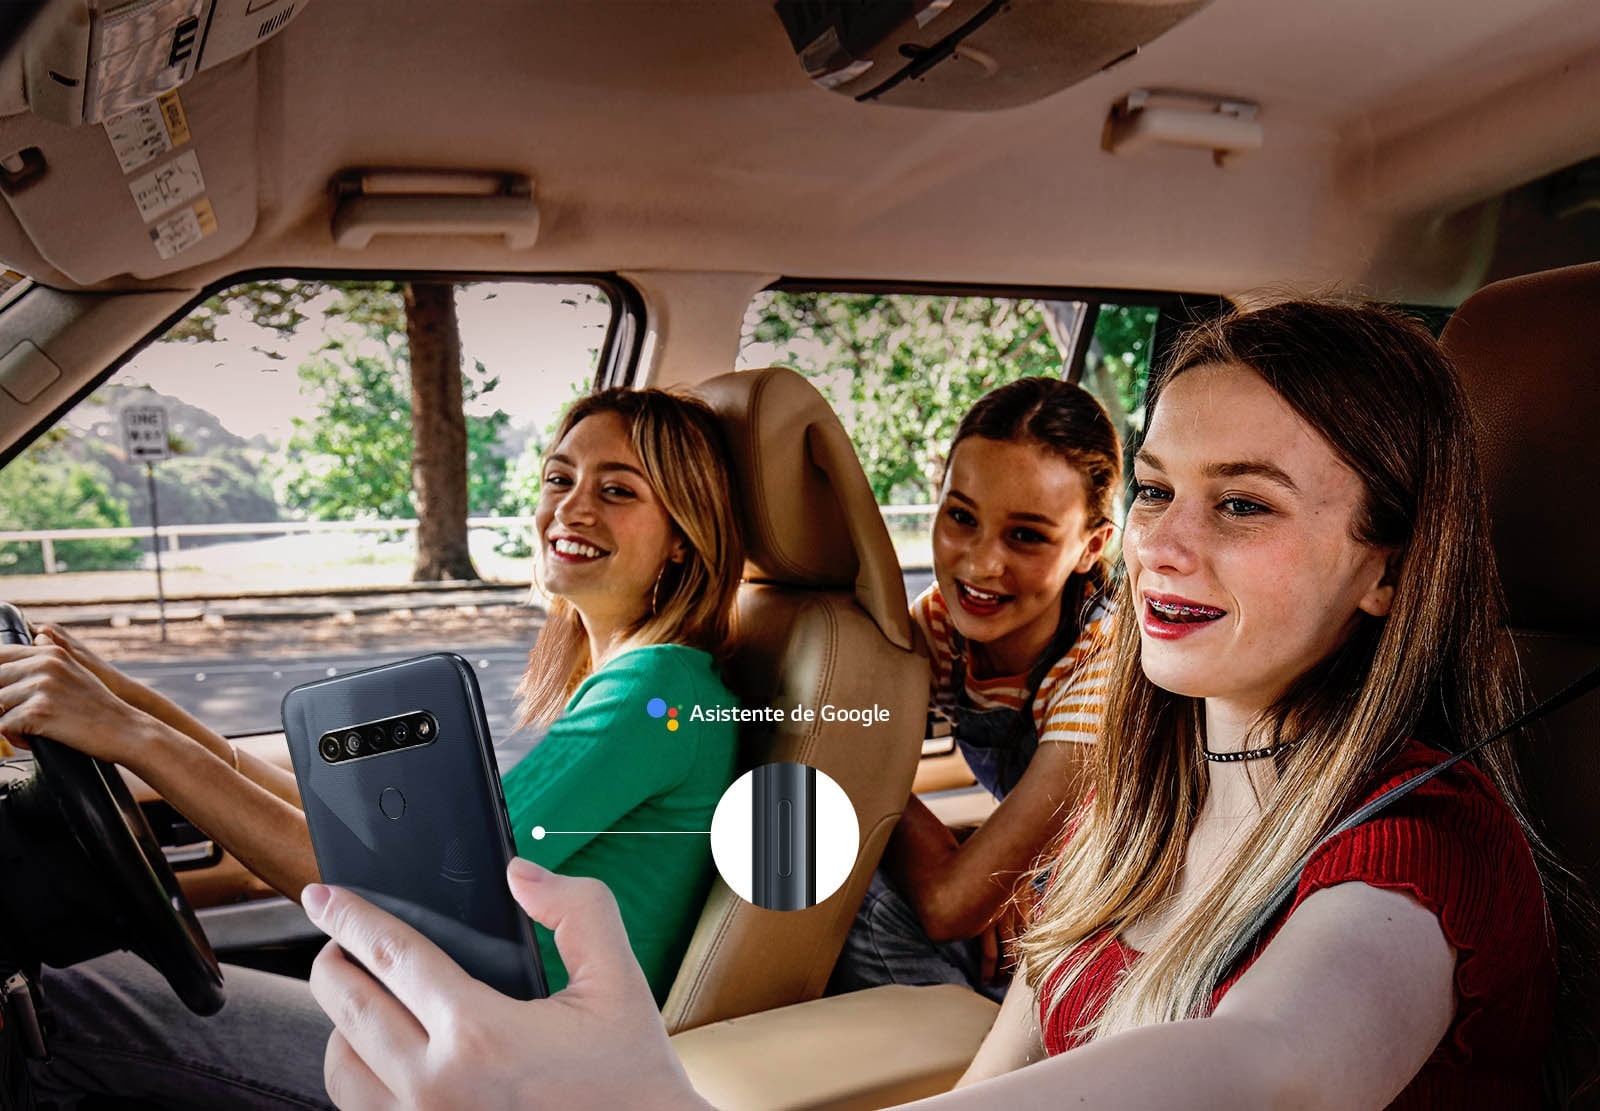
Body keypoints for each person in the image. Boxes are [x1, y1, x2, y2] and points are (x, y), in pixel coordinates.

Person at [304, 300, 1567, 1109]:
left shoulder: (1416, 851)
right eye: (1159, 492)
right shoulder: (1136, 806)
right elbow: (998, 1077)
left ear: (1391, 568)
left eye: (1242, 504)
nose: (1163, 549)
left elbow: (1269, 1067)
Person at [0, 385, 744, 1108]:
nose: (572, 505)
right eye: (559, 477)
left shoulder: (658, 689)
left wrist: (131, 733)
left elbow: (413, 896)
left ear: (682, 536)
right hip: (451, 1018)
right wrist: (130, 701)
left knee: (64, 1002)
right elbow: (373, 849)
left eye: (618, 490)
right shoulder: (651, 681)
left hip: (489, 1057)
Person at [831, 377, 1119, 999]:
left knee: (870, 904)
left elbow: (948, 905)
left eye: (1028, 535)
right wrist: (995, 864)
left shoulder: (1103, 667)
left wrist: (986, 873)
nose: (981, 564)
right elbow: (850, 756)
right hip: (1049, 885)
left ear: (1091, 547)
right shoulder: (938, 627)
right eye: (962, 517)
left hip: (1119, 923)